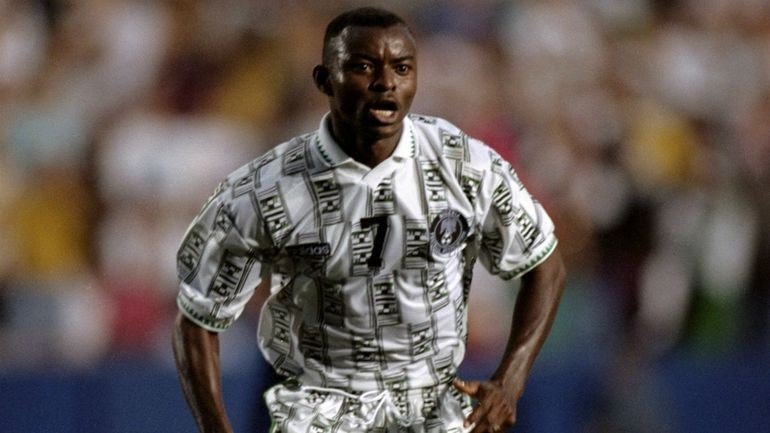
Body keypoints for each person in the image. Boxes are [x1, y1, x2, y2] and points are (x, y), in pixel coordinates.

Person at [172, 7, 566, 433]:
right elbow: (196, 317)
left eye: (402, 68)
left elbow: (546, 266)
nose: (386, 82)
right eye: (363, 67)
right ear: (325, 80)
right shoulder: (267, 188)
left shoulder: (463, 164)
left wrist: (510, 380)